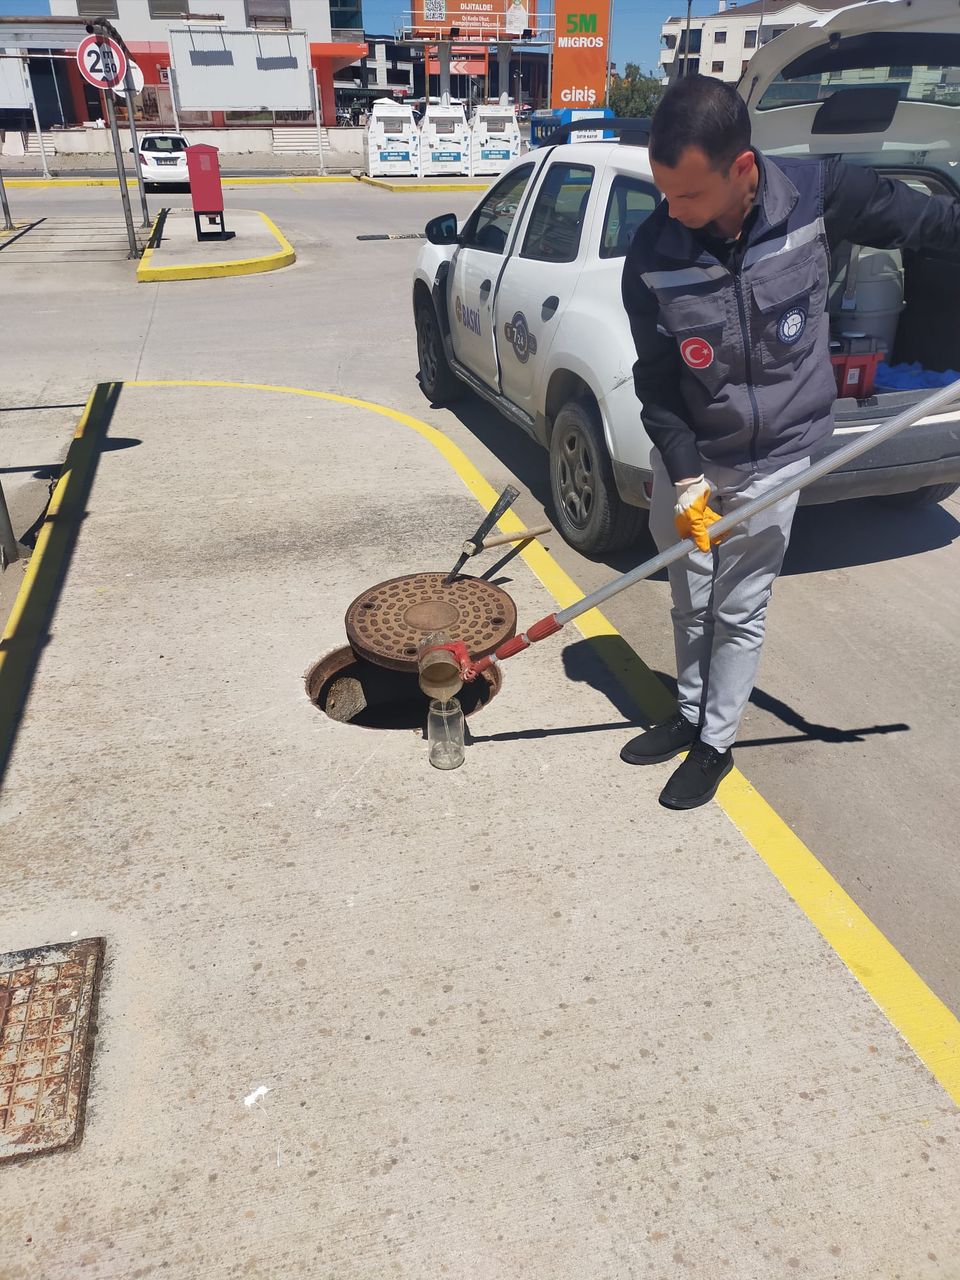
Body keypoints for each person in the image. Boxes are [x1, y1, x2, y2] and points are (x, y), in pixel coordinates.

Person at [620, 75, 960, 811]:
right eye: (663, 192)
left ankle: (715, 741)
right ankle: (684, 713)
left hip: (775, 459)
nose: (672, 212)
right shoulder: (652, 252)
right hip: (693, 459)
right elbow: (654, 381)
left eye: (689, 195)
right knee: (688, 595)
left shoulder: (820, 195)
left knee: (739, 607)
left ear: (742, 168)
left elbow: (929, 225)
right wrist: (684, 478)